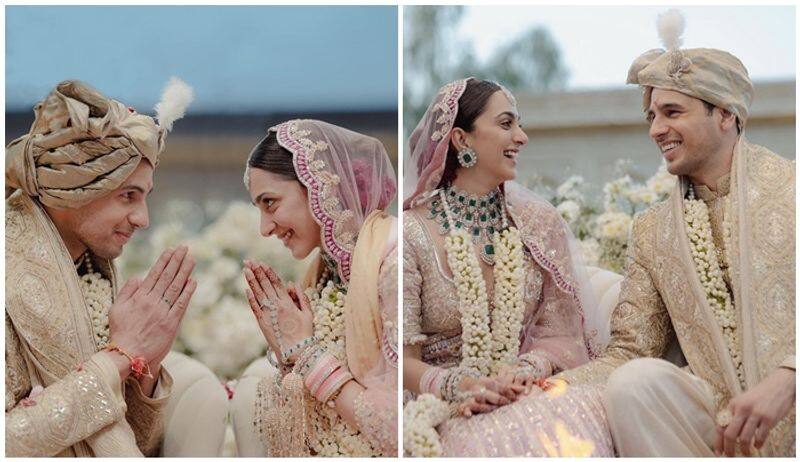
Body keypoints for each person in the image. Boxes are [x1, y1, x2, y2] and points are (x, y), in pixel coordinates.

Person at [556, 10, 795, 457]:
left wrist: (789, 378)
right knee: (635, 384)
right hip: (721, 424)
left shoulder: (793, 189)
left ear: (724, 114)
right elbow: (629, 349)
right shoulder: (653, 230)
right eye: (651, 116)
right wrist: (549, 386)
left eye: (671, 112)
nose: (655, 129)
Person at [402, 77, 614, 457]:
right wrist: (463, 385)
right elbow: (400, 360)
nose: (522, 137)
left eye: (519, 124)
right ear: (461, 140)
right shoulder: (409, 232)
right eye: (506, 124)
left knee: (577, 413)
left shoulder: (537, 224)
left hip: (526, 391)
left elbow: (562, 333)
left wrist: (524, 370)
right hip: (442, 404)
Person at [4, 79, 206, 456]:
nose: (143, 218)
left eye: (145, 197)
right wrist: (119, 356)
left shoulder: (90, 269)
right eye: (128, 196)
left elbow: (139, 445)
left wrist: (144, 365)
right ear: (74, 189)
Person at [232, 119, 398, 456]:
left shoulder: (393, 263)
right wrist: (287, 354)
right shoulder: (324, 272)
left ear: (318, 187)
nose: (264, 228)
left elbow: (395, 429)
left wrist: (306, 352)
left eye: (270, 203)